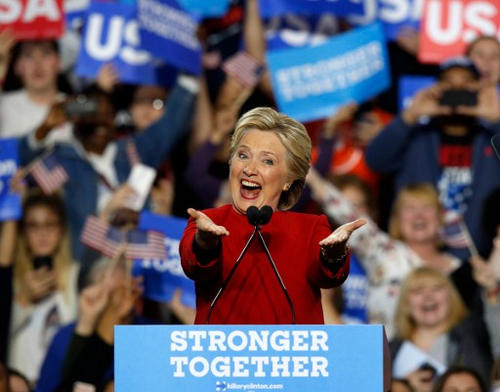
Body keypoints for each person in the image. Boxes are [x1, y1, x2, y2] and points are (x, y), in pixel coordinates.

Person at [180, 107, 366, 324]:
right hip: (219, 356)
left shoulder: (311, 229)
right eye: (242, 155)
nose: (249, 168)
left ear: (289, 179)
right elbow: (192, 263)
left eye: (267, 161)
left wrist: (333, 255)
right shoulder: (207, 222)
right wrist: (205, 244)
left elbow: (329, 276)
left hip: (293, 356)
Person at [366, 57, 500, 258]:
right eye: (449, 84)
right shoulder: (415, 137)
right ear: (435, 89)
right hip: (418, 253)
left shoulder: (491, 138)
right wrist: (409, 116)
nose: (457, 89)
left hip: (482, 257)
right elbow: (375, 160)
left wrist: (497, 120)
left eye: (465, 83)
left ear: (477, 89)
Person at [0, 192, 79, 385]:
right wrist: (24, 300)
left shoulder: (75, 275)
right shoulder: (10, 281)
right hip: (19, 384)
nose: (42, 233)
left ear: (61, 230)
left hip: (61, 384)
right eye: (33, 226)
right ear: (23, 233)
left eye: (49, 225)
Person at [390, 268, 492, 391]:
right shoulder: (389, 349)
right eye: (418, 291)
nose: (428, 297)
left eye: (436, 288)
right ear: (406, 302)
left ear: (451, 296)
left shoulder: (473, 337)